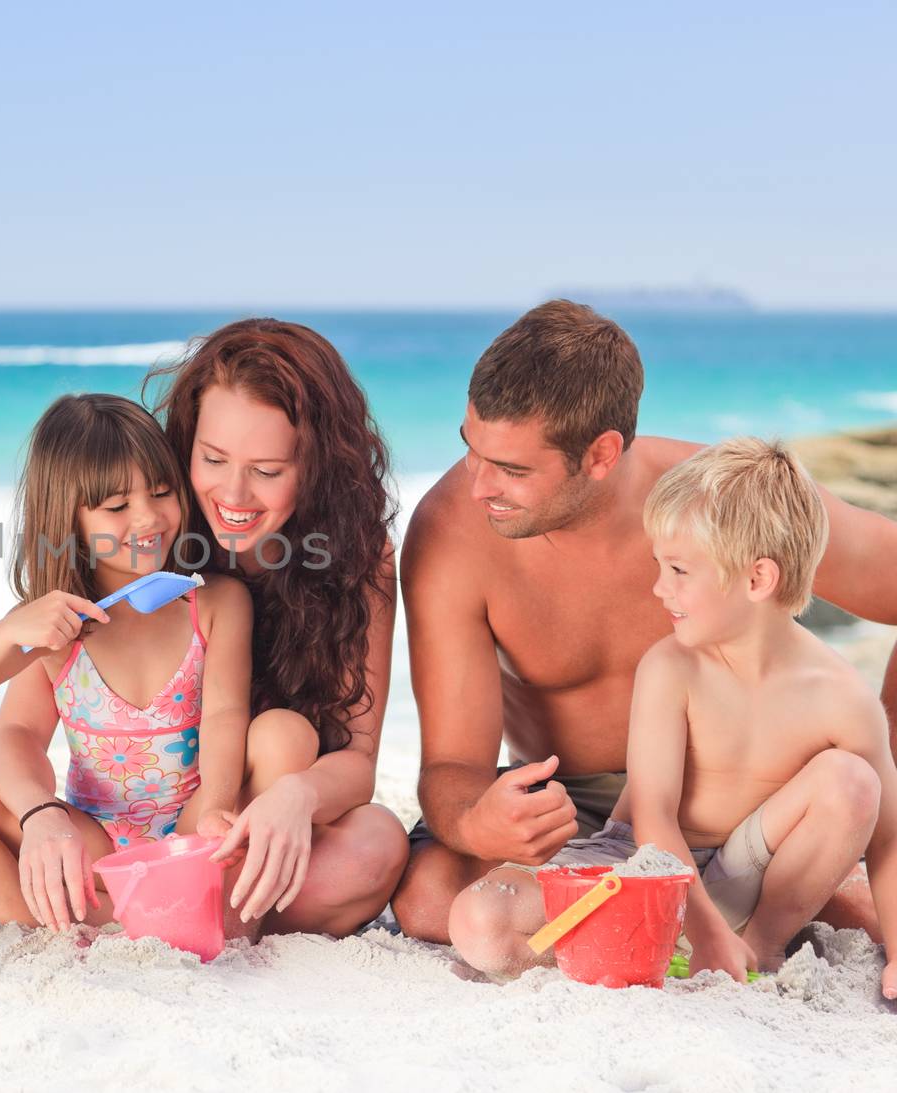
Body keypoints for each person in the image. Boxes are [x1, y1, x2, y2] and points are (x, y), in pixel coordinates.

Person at [393, 300, 897, 944]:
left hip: (742, 799)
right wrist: (476, 823)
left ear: (601, 454)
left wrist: (885, 767)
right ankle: (721, 918)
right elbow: (452, 767)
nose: (477, 486)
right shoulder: (452, 536)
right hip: (575, 813)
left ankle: (717, 916)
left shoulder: (718, 503)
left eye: (514, 470)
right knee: (431, 901)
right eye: (472, 450)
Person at [448, 438, 897, 998]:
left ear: (757, 580)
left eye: (680, 569)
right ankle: (678, 945)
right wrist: (703, 926)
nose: (660, 588)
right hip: (643, 866)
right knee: (480, 922)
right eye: (659, 565)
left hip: (744, 876)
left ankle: (757, 947)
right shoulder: (671, 666)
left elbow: (886, 840)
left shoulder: (841, 697)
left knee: (853, 781)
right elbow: (654, 818)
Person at [0, 393, 252, 930]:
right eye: (116, 507)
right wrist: (41, 815)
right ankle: (46, 932)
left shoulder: (213, 604)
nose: (148, 517)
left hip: (188, 830)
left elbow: (227, 715)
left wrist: (216, 806)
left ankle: (98, 913)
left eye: (162, 492)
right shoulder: (54, 627)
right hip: (89, 837)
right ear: (67, 516)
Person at [144, 319, 407, 934]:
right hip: (154, 810)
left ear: (318, 467)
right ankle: (197, 907)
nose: (232, 492)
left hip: (262, 815)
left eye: (267, 470)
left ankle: (196, 912)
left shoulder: (360, 557)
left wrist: (297, 797)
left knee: (378, 842)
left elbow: (358, 756)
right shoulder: (152, 529)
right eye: (212, 459)